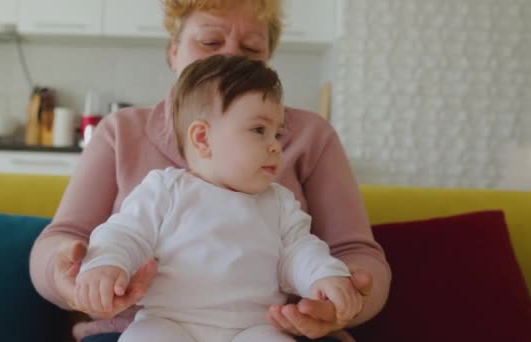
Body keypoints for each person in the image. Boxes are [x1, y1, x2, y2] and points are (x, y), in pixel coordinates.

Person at [29, 1, 391, 341]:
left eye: (251, 49)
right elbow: (89, 236)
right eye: (210, 40)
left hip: (268, 326)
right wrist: (83, 277)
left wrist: (339, 295)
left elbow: (335, 251)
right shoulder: (122, 135)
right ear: (173, 51)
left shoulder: (307, 144)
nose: (231, 55)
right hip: (147, 325)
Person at [74, 55, 364, 342]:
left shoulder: (280, 203)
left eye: (277, 133)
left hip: (254, 329)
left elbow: (301, 252)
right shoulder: (165, 190)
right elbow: (126, 234)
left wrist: (325, 277)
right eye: (259, 130)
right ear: (202, 138)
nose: (276, 146)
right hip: (169, 323)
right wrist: (105, 264)